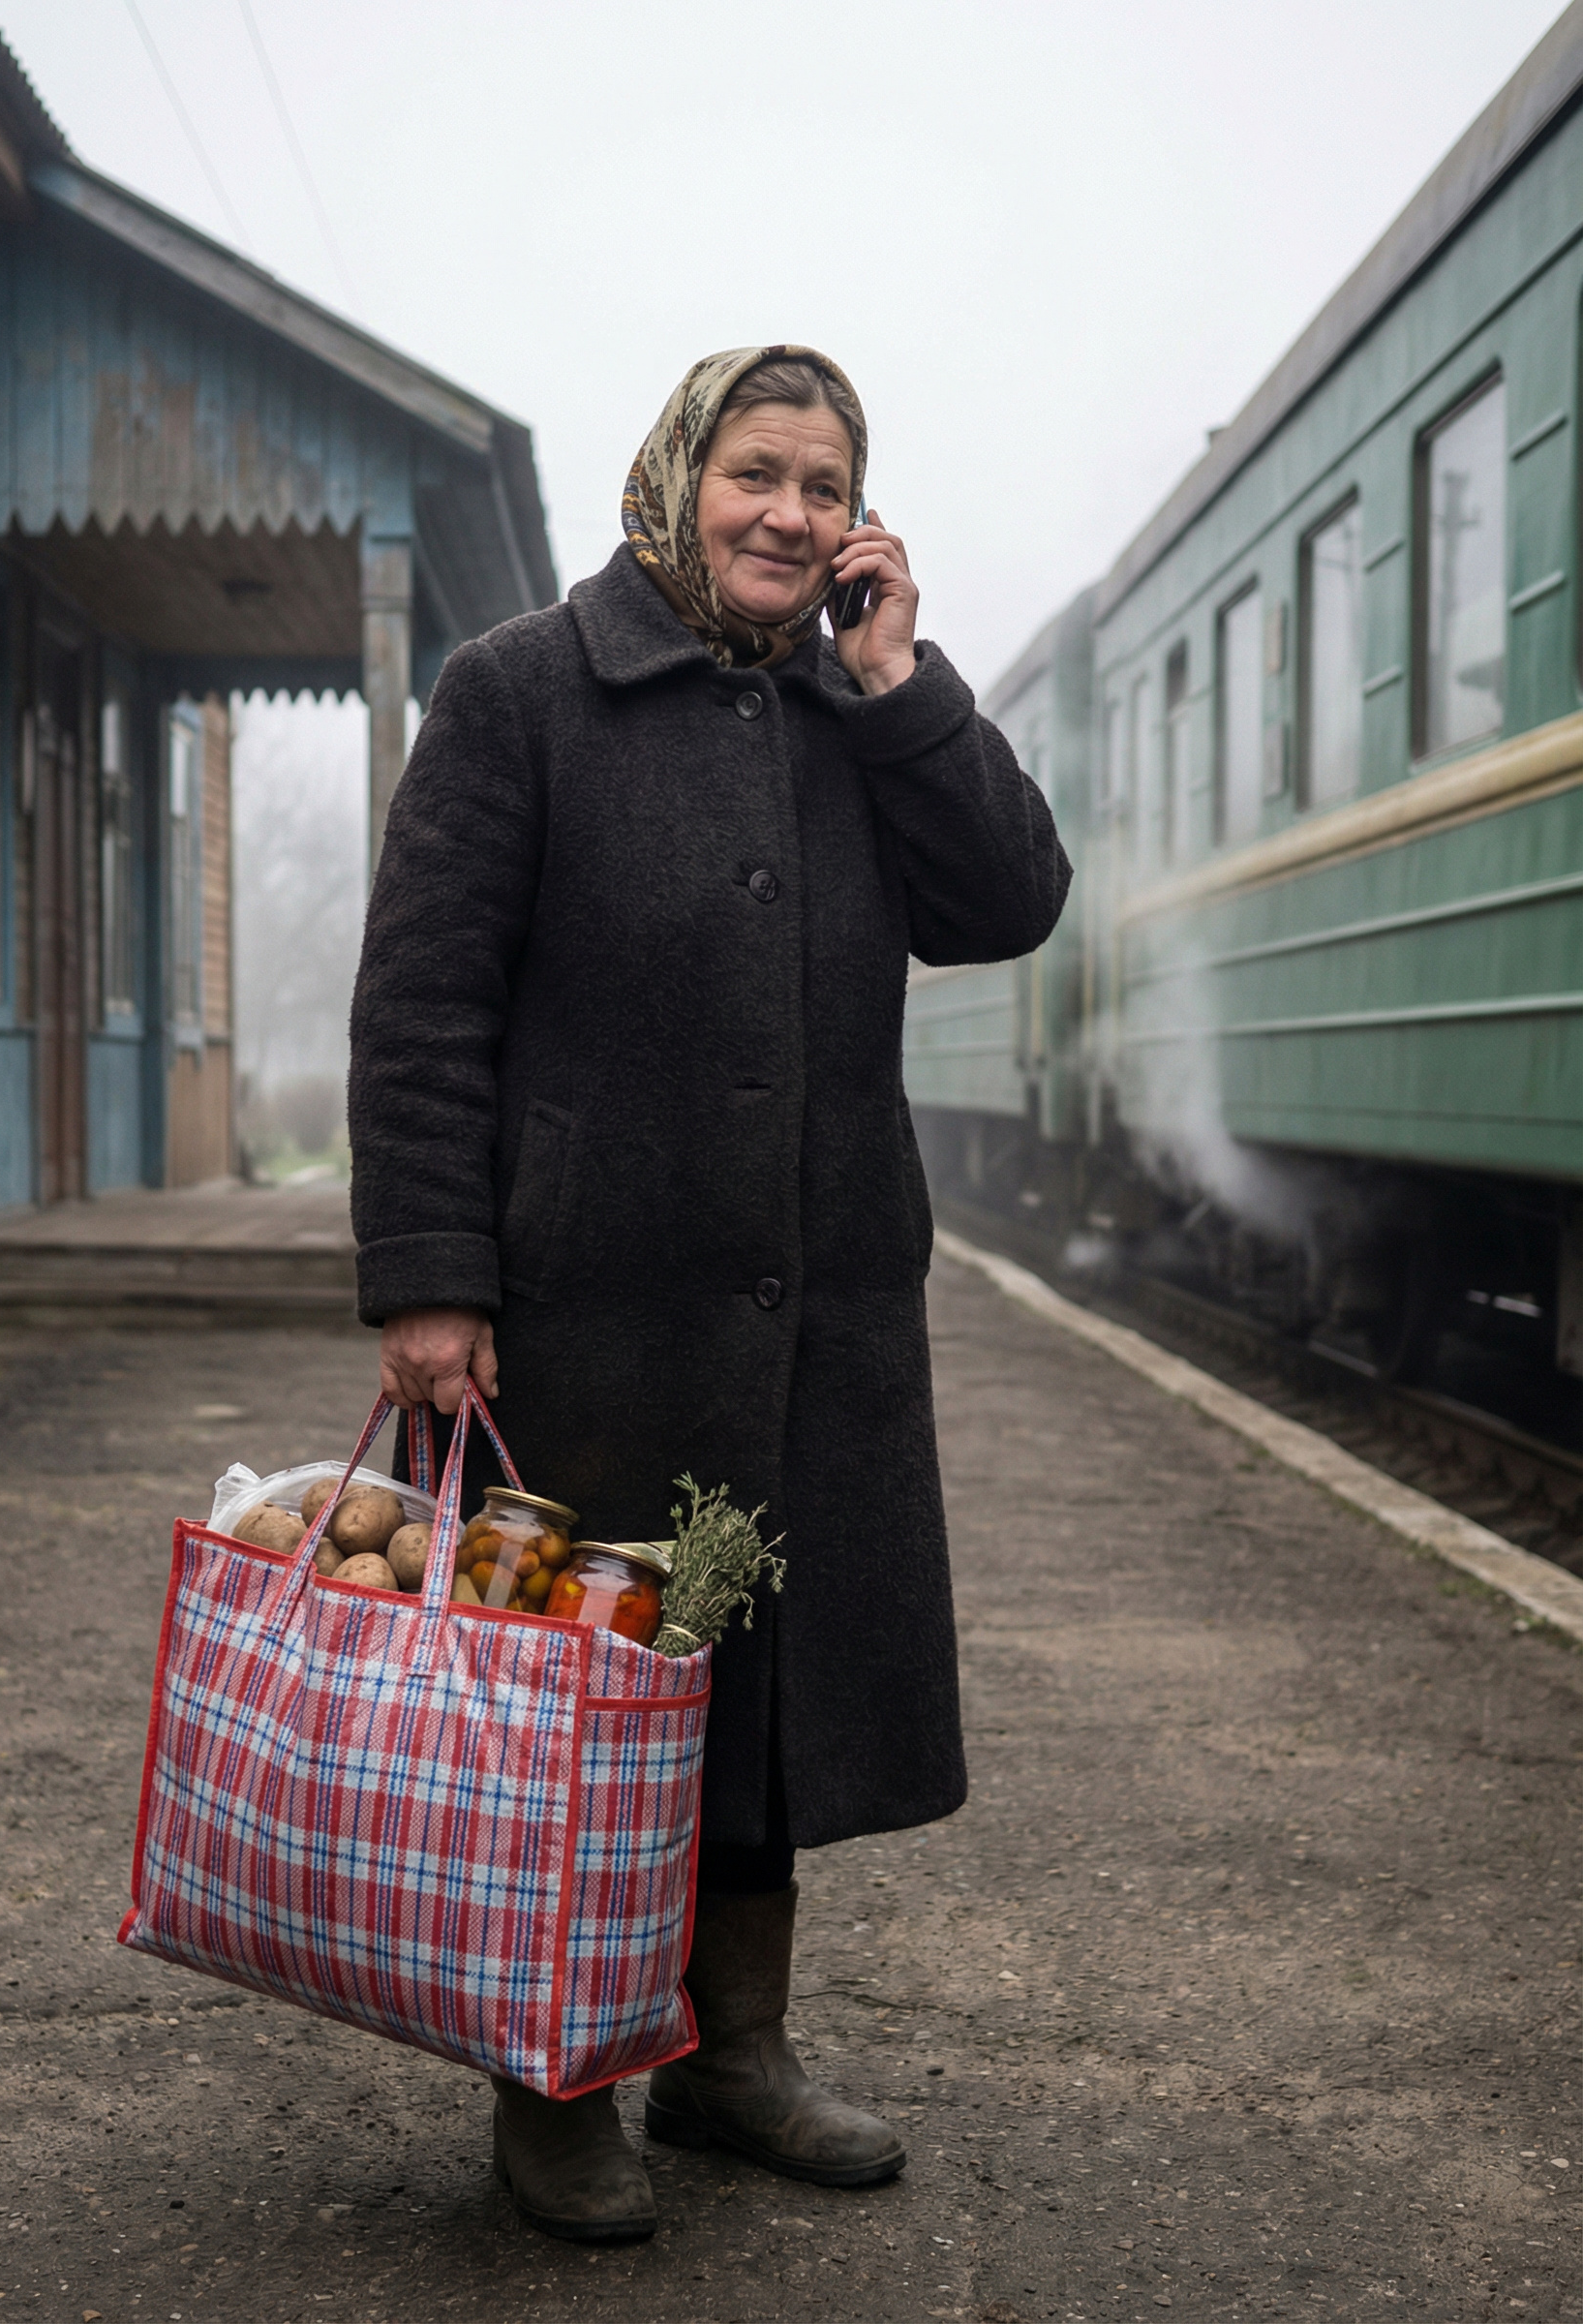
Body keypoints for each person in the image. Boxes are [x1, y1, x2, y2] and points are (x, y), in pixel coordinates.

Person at [348, 345, 1070, 2242]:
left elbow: (1008, 901)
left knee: (749, 1697)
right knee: (571, 1704)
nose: (788, 514)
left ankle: (729, 2059)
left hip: (807, 1320)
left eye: (824, 486)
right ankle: (555, 2079)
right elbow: (423, 1001)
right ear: (680, 476)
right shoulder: (523, 689)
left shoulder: (856, 708)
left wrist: (904, 685)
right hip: (587, 1318)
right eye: (758, 471)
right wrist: (429, 1275)